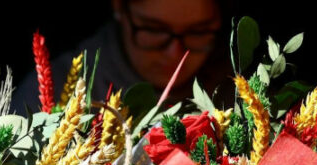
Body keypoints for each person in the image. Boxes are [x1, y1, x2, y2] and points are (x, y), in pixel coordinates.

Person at [13, 0, 233, 115]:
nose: (175, 53)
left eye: (197, 32)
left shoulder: (239, 90)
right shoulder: (50, 94)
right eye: (154, 29)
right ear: (119, 6)